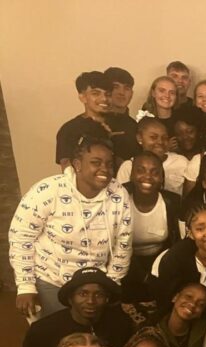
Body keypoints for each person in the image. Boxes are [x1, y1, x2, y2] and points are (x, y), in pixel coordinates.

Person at [12, 136, 132, 318]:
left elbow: (123, 244)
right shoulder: (47, 191)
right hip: (51, 279)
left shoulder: (118, 193)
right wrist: (25, 285)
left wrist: (113, 283)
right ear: (77, 164)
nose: (104, 169)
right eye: (95, 162)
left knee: (90, 340)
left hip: (95, 284)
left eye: (109, 164)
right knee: (55, 338)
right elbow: (21, 238)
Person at [121, 151, 182, 301]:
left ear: (162, 178)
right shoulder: (119, 200)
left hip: (161, 264)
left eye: (155, 172)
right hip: (125, 265)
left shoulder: (173, 202)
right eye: (140, 171)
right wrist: (144, 277)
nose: (148, 177)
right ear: (131, 175)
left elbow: (178, 245)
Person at [55, 71, 137, 169]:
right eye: (96, 93)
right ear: (83, 97)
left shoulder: (127, 125)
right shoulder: (70, 129)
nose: (103, 99)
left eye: (108, 94)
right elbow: (67, 168)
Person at [116, 117, 189, 194]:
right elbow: (120, 197)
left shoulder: (181, 161)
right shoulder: (129, 166)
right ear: (139, 138)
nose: (160, 142)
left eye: (164, 138)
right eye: (153, 137)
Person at [155, 281, 206, 347]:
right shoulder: (153, 333)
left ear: (201, 312)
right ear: (175, 297)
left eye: (201, 304)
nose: (192, 304)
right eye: (188, 297)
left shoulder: (205, 334)